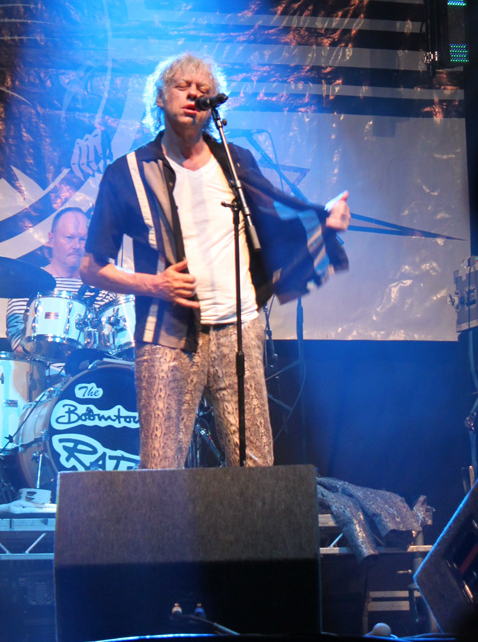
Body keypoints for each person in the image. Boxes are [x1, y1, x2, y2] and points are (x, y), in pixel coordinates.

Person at [80, 52, 350, 469]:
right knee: (161, 469)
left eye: (203, 89)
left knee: (256, 467)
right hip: (167, 336)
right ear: (159, 97)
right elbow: (91, 267)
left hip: (240, 329)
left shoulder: (235, 161)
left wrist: (323, 219)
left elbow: (275, 218)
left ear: (213, 105)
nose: (194, 94)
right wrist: (154, 285)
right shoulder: (127, 173)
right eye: (182, 86)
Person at [5, 206, 109, 353]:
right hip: (38, 367)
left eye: (83, 239)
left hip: (88, 368)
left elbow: (112, 347)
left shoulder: (102, 289)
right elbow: (17, 342)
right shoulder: (27, 285)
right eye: (69, 238)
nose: (76, 246)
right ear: (51, 239)